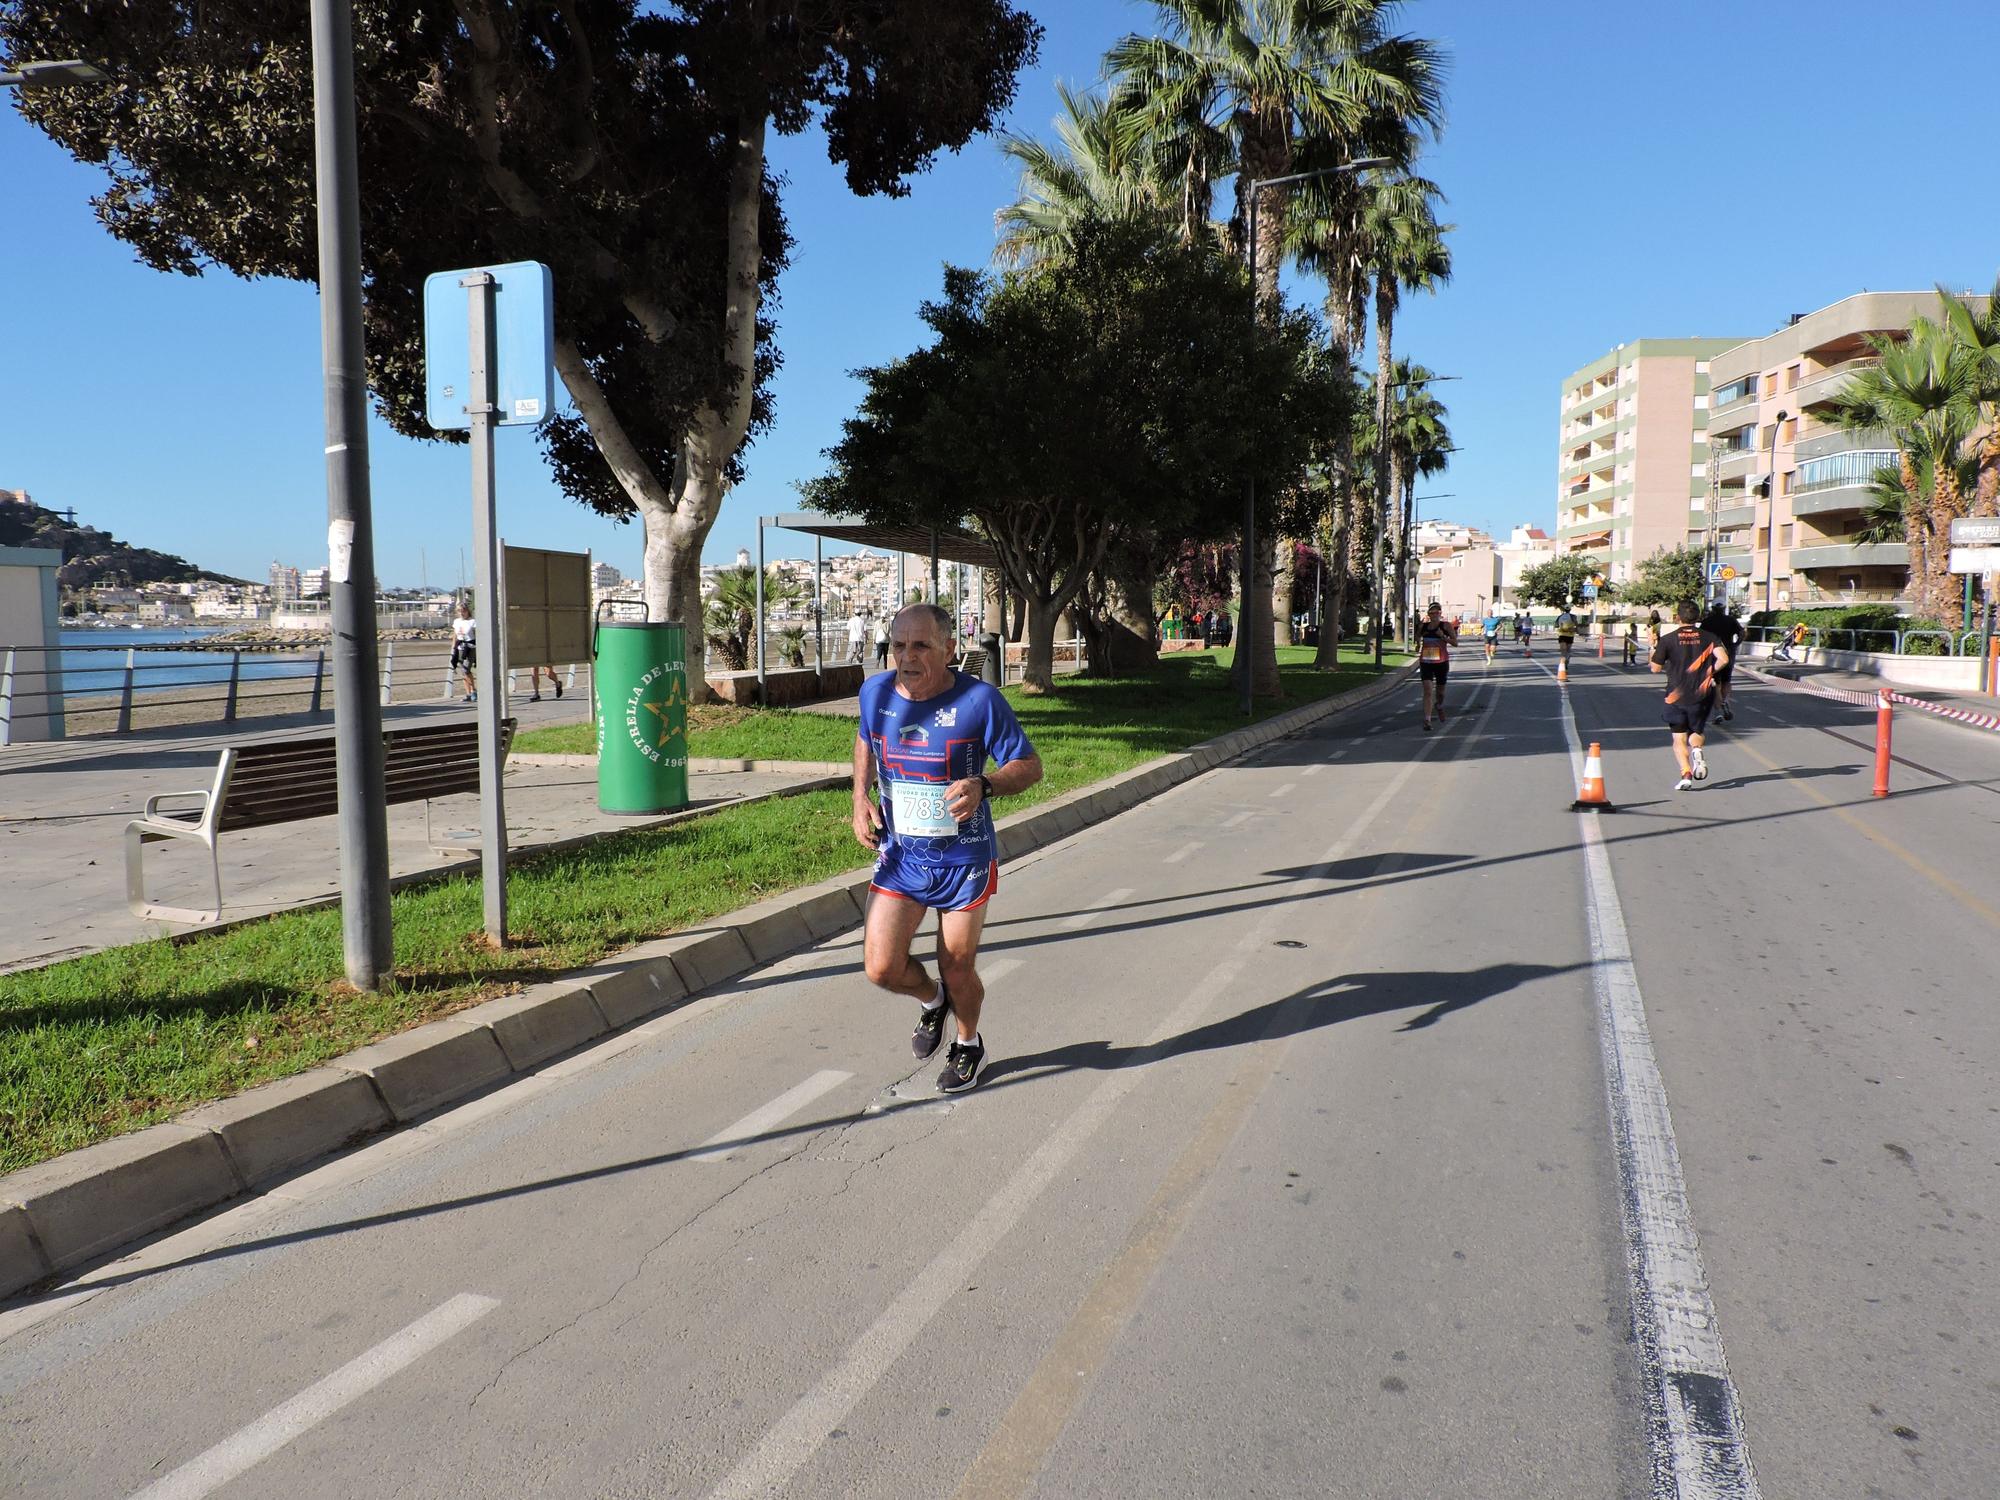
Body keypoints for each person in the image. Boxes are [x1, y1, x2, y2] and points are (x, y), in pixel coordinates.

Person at [854, 603, 1044, 1094]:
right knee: (881, 968)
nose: (907, 657)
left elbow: (1028, 765)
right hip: (901, 857)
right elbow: (865, 740)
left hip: (964, 860)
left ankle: (968, 1042)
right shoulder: (874, 691)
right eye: (899, 645)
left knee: (957, 964)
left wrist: (985, 784)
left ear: (949, 649)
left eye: (921, 646)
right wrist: (859, 799)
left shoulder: (980, 700)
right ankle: (932, 1001)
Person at [1650, 599, 1730, 791]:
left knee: (1678, 738)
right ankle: (1697, 750)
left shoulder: (1668, 639)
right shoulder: (1709, 637)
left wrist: (1653, 650)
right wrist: (1709, 671)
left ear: (1678, 617)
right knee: (1696, 732)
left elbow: (1655, 668)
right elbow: (1724, 659)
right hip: (1701, 694)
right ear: (1698, 617)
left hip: (1676, 696)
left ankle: (1686, 773)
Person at [1416, 600, 1458, 730]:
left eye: (1436, 612)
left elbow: (1455, 643)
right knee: (1428, 690)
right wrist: (1418, 644)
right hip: (1426, 662)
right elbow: (1417, 637)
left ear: (1440, 613)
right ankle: (1427, 720)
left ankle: (1439, 705)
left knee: (1440, 693)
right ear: (1428, 614)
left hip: (1441, 662)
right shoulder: (1423, 626)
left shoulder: (1445, 626)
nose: (1434, 615)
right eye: (1431, 612)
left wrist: (1443, 637)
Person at [1701, 603, 1744, 719]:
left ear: (1713, 609)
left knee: (1716, 683)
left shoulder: (1707, 622)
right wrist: (1736, 644)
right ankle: (1725, 700)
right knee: (1727, 681)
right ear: (1724, 609)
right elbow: (1742, 632)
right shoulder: (1731, 620)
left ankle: (1717, 711)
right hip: (1729, 653)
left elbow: (1700, 637)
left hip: (1714, 655)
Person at [450, 603, 477, 701]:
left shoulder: (472, 621)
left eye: (463, 610)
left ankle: (474, 690)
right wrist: (453, 648)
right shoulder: (456, 621)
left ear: (467, 611)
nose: (462, 613)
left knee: (466, 669)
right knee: (463, 671)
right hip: (460, 647)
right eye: (459, 611)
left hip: (470, 647)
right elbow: (455, 635)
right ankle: (468, 693)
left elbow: (476, 634)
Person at [1553, 603, 1580, 668]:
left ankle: (1563, 662)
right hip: (1570, 636)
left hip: (1562, 635)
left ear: (1564, 609)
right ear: (1570, 610)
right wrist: (1577, 630)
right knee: (1568, 650)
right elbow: (1576, 624)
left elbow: (1556, 625)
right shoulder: (1573, 616)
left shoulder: (1560, 617)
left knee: (1563, 651)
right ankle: (1567, 660)